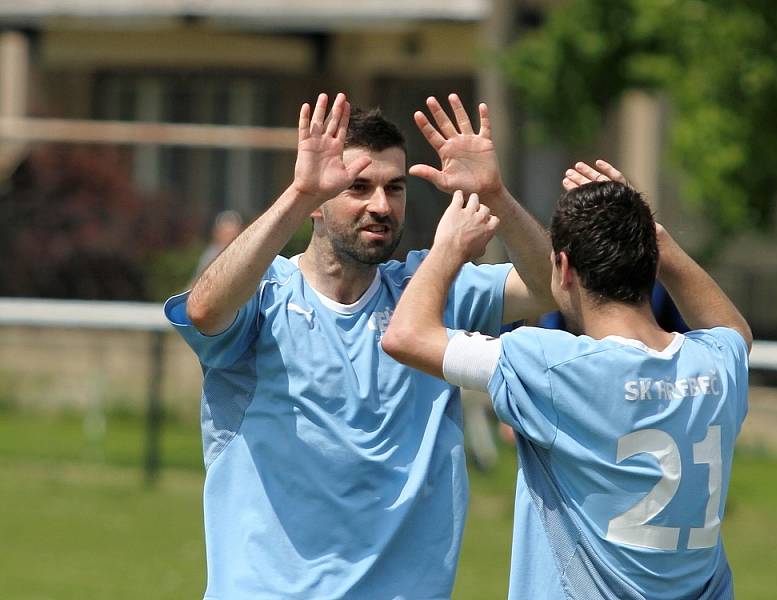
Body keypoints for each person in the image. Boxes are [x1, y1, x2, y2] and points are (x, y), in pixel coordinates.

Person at [164, 92, 554, 599]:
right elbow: (204, 310)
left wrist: (496, 194)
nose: (381, 205)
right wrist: (299, 194)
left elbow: (552, 287)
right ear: (319, 203)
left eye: (395, 188)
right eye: (359, 187)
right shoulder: (266, 299)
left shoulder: (429, 291)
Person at [382, 160, 751, 600]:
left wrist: (446, 250)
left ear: (563, 267)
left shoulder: (555, 367)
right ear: (651, 262)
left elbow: (406, 336)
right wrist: (658, 241)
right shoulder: (716, 364)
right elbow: (735, 331)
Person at [193, 209, 244, 282]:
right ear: (217, 234)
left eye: (233, 235)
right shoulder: (210, 256)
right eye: (226, 234)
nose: (229, 239)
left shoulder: (244, 253)